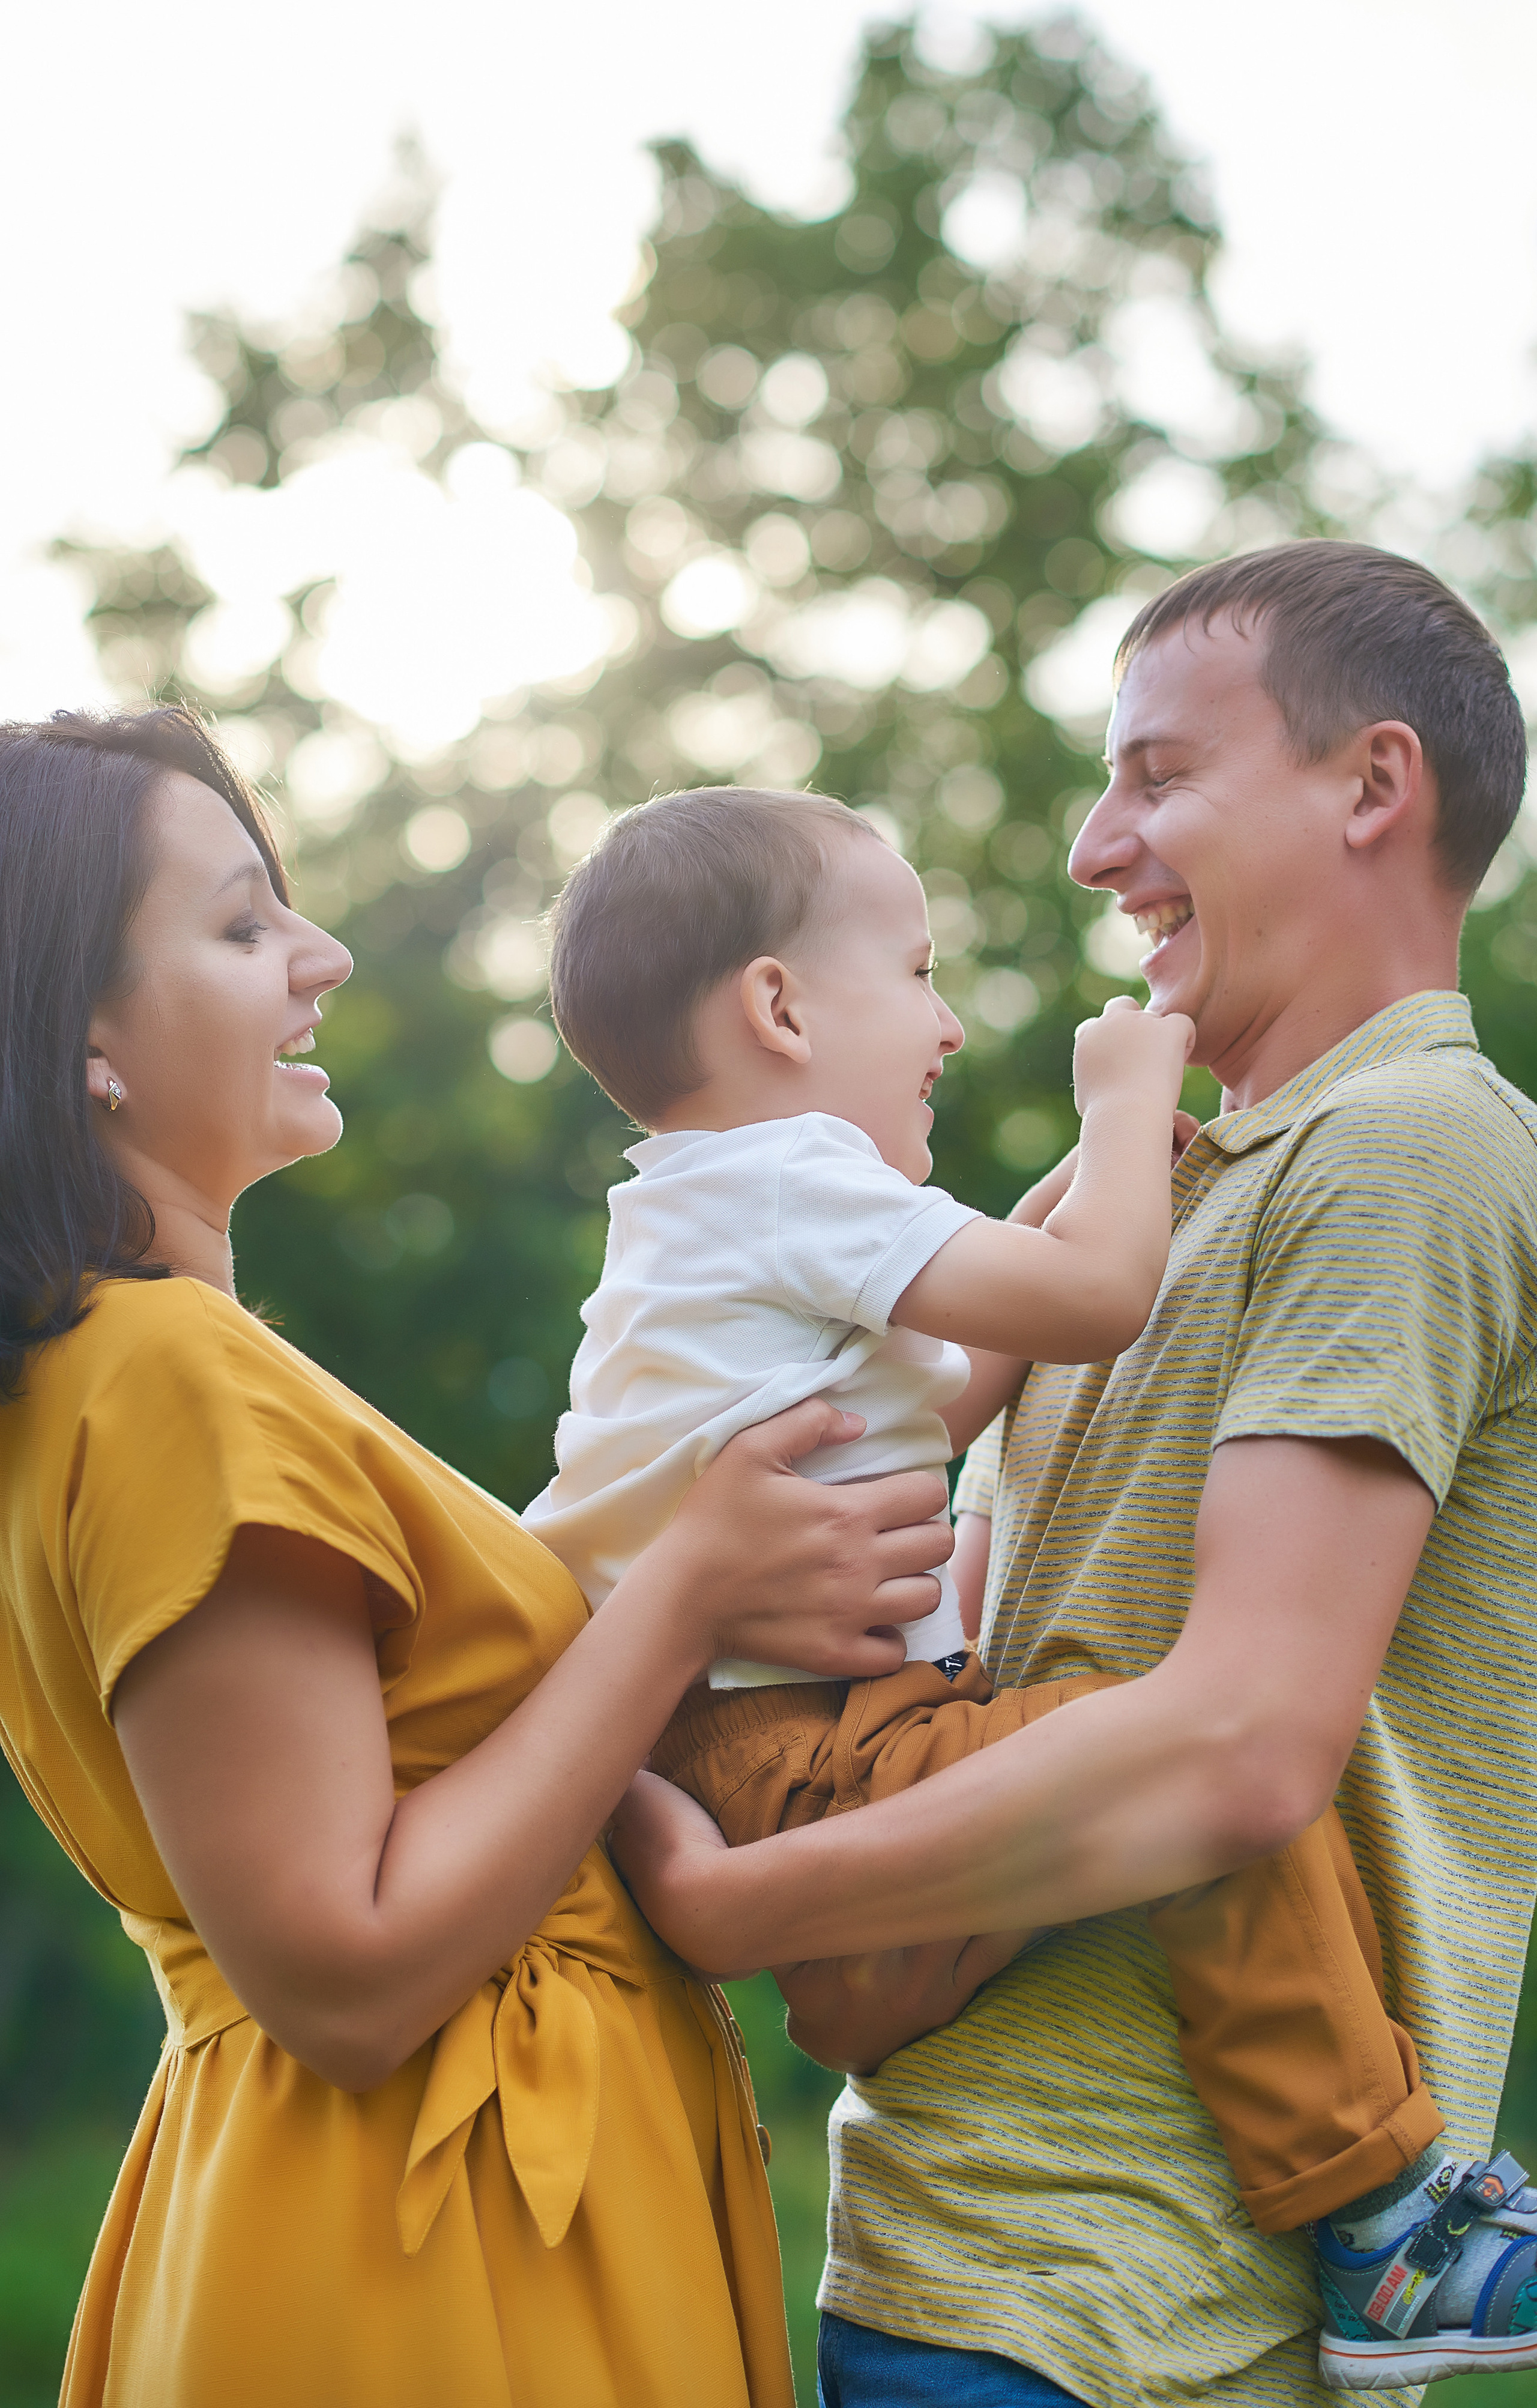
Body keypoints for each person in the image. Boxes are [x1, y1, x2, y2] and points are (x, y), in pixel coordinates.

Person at [609, 542, 1537, 2400]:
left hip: (1125, 2298)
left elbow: (1239, 1743)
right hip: (969, 2256)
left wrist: (735, 1903)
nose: (1097, 847)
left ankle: (1388, 2213)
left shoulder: (1408, 1150)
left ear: (1374, 786)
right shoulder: (1185, 1189)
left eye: (1160, 776)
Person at [0, 707, 957, 2408]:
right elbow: (345, 1966)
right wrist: (686, 1594)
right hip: (435, 2237)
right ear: (82, 1034)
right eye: (239, 925)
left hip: (444, 2192)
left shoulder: (119, 1372)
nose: (324, 952)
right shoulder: (166, 1373)